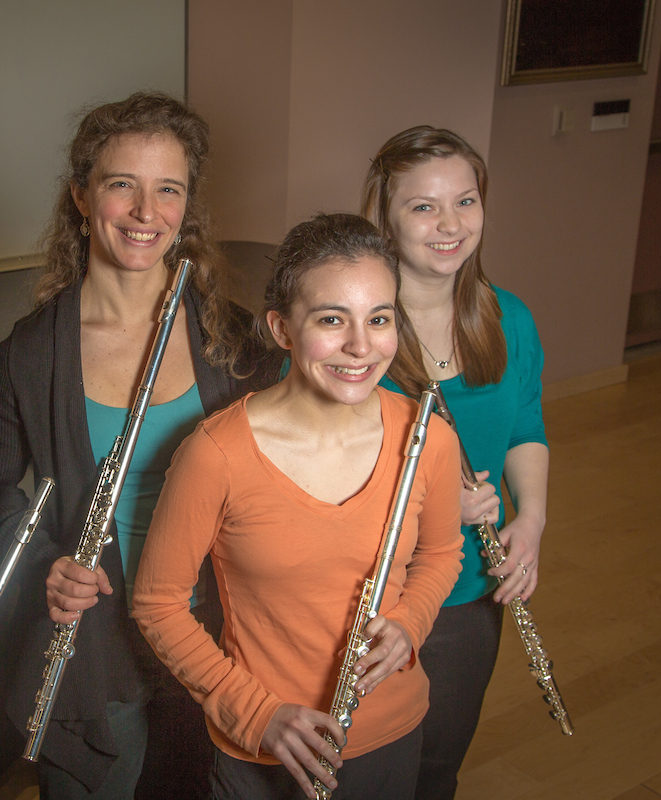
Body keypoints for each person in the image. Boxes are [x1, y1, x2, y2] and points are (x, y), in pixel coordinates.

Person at [0, 91, 276, 799]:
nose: (146, 213)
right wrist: (45, 561)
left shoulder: (232, 343)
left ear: (187, 205)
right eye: (121, 186)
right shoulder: (28, 358)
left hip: (218, 636)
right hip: (96, 647)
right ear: (81, 197)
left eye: (168, 189)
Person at [132, 213, 464, 800]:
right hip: (265, 748)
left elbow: (441, 553)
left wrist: (409, 624)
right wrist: (257, 714)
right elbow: (158, 605)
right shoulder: (214, 455)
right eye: (332, 320)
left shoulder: (428, 436)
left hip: (392, 731)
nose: (361, 346)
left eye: (379, 319)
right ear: (282, 329)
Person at [362, 126, 550, 799]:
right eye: (423, 207)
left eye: (465, 202)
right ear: (384, 216)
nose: (450, 225)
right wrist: (434, 502)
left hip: (470, 596)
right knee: (368, 774)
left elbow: (526, 424)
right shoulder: (357, 333)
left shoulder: (511, 319)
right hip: (376, 596)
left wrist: (531, 519)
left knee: (437, 771)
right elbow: (321, 475)